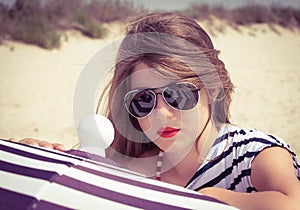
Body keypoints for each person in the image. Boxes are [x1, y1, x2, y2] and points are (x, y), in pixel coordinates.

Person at [10, 13, 300, 209]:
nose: (160, 114)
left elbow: (292, 202)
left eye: (177, 95)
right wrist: (38, 157)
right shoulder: (134, 163)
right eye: (143, 101)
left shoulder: (251, 155)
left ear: (212, 89)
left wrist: (207, 199)